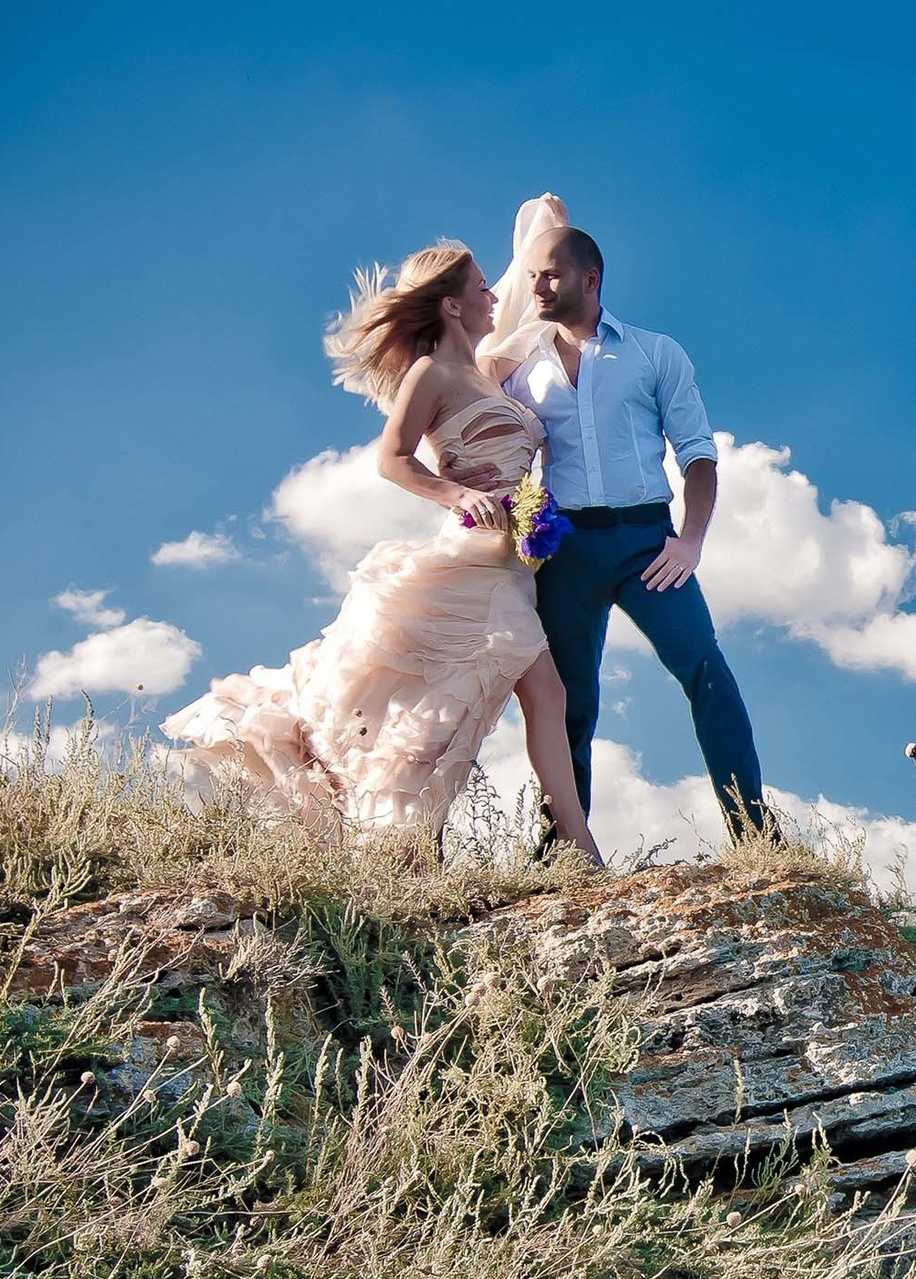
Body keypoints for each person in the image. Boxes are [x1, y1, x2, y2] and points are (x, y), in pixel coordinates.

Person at [166, 243, 603, 860]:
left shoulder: (492, 370)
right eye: (481, 287)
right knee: (505, 698)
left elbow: (530, 301)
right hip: (471, 557)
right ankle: (547, 845)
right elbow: (391, 459)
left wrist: (552, 229)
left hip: (513, 563)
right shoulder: (433, 375)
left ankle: (515, 843)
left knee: (514, 698)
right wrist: (455, 492)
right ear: (451, 306)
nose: (494, 295)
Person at [486, 195, 773, 839]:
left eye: (551, 273)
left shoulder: (653, 353)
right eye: (531, 274)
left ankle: (755, 831)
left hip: (649, 544)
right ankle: (564, 844)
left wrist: (692, 540)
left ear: (591, 278)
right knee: (570, 702)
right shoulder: (516, 370)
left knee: (705, 667)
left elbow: (698, 454)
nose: (537, 285)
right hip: (563, 553)